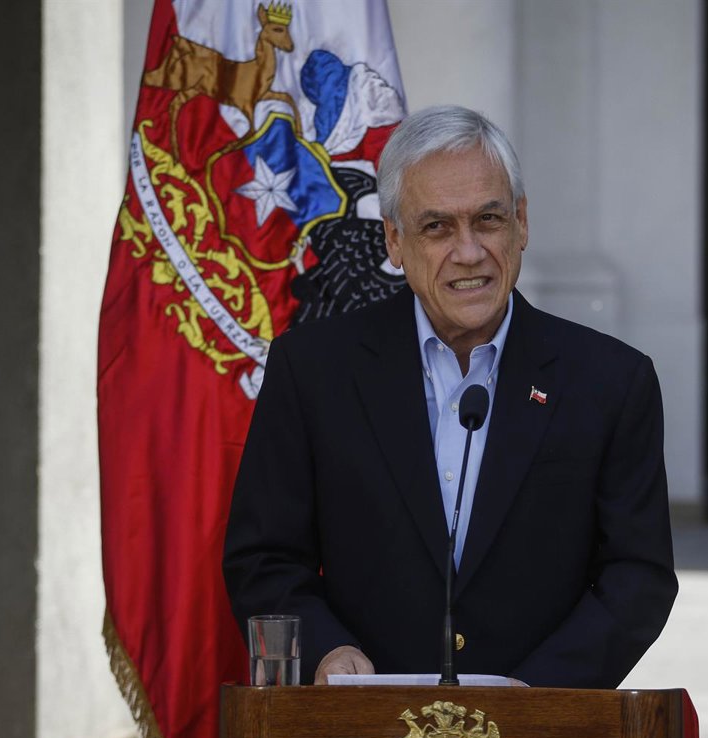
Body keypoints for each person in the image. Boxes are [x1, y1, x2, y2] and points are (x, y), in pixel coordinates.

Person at [223, 105, 677, 687]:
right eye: (436, 227)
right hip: (365, 725)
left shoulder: (611, 381)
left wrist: (536, 697)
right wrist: (326, 651)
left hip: (540, 728)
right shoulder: (312, 370)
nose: (468, 252)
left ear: (521, 223)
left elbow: (637, 578)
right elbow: (264, 559)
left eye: (488, 219)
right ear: (394, 240)